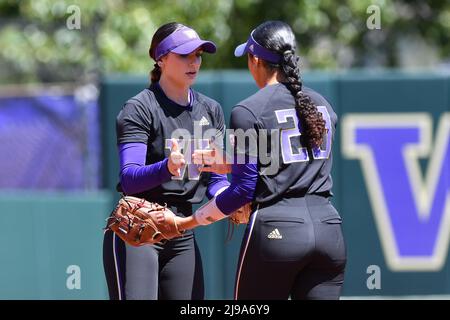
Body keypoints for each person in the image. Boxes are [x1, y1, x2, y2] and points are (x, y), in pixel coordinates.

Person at [175, 20, 347, 300]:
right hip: (329, 231)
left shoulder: (248, 109)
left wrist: (190, 222)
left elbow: (244, 188)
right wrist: (229, 163)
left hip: (277, 230)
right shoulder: (322, 104)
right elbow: (292, 162)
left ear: (255, 59)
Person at [102, 22, 230, 300]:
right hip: (139, 227)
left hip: (182, 228)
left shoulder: (211, 110)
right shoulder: (140, 107)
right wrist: (167, 167)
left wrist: (229, 199)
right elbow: (129, 178)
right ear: (160, 59)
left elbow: (217, 178)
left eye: (198, 55)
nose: (194, 61)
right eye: (185, 54)